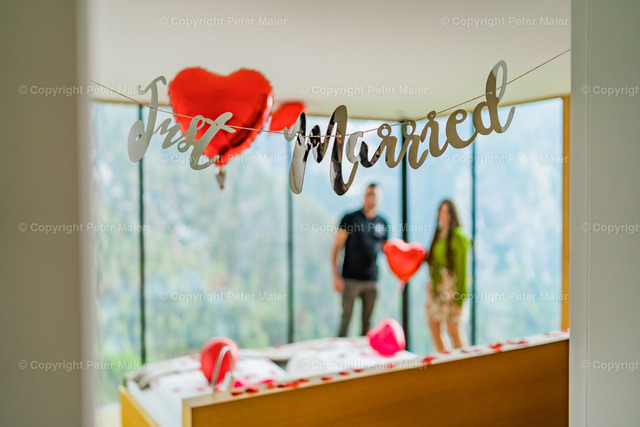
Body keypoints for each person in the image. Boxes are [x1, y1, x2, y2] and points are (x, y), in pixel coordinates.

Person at [331, 183, 389, 337]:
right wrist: (336, 276)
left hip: (371, 280)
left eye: (374, 195)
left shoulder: (382, 223)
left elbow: (387, 251)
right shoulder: (350, 218)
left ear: (379, 198)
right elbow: (336, 246)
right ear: (364, 196)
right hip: (350, 279)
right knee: (345, 321)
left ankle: (365, 353)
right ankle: (340, 351)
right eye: (368, 194)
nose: (371, 198)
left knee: (368, 325)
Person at [424, 199, 470, 352]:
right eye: (441, 210)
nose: (443, 214)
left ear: (452, 214)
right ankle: (445, 359)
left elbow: (462, 271)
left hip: (452, 287)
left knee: (453, 328)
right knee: (433, 324)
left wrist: (460, 299)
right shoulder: (438, 234)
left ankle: (463, 361)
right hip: (437, 286)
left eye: (446, 211)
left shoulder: (459, 236)